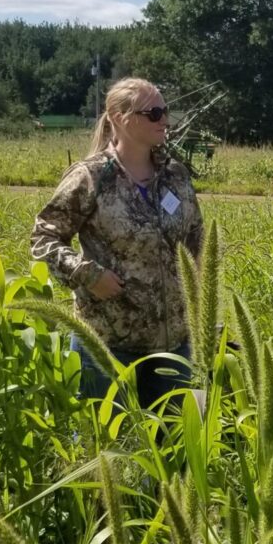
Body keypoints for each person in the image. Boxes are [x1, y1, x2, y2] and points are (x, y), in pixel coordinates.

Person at [32, 78, 205, 409]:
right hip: (108, 344)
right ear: (120, 117)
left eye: (166, 111)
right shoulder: (92, 177)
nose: (165, 120)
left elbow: (197, 239)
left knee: (172, 448)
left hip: (174, 345)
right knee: (109, 447)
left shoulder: (175, 175)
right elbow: (44, 236)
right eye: (154, 113)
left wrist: (202, 306)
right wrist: (86, 273)